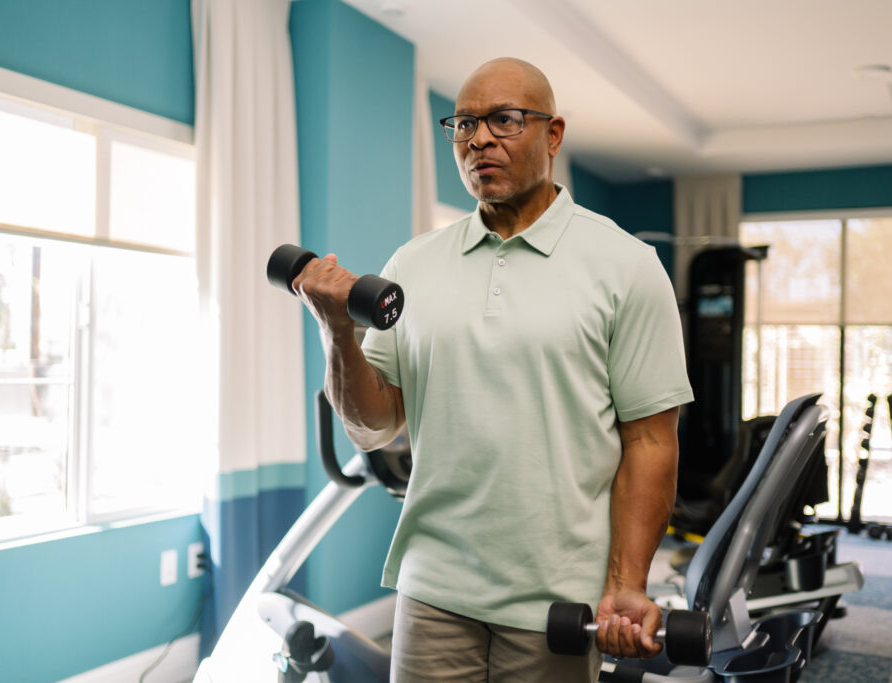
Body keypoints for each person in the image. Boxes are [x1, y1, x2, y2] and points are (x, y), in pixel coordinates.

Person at [292, 57, 694, 682]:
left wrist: (627, 581)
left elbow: (649, 440)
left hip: (559, 599)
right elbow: (373, 426)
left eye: (504, 120)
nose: (478, 138)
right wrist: (336, 328)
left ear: (553, 135)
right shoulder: (414, 263)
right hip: (432, 588)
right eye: (463, 124)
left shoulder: (627, 266)